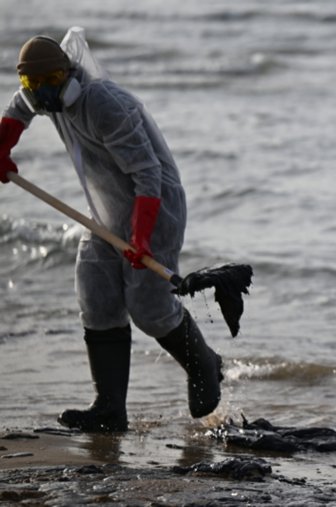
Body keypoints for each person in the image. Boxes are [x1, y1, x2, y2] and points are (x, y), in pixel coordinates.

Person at [0, 28, 223, 432]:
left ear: (67, 76)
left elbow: (147, 173)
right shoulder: (37, 96)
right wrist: (1, 150)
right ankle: (109, 409)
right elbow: (16, 113)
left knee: (150, 310)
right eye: (34, 84)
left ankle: (205, 364)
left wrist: (141, 236)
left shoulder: (104, 104)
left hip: (154, 205)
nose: (44, 94)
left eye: (51, 83)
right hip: (104, 211)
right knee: (96, 296)